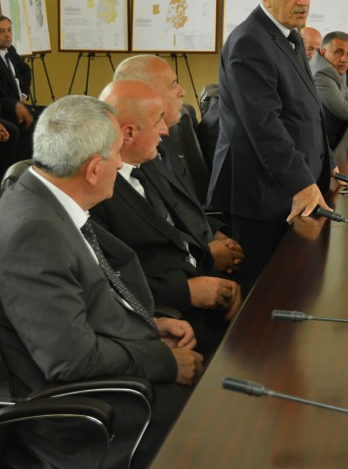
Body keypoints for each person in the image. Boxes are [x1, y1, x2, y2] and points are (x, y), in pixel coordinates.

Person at [0, 95, 203, 468]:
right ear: (93, 169)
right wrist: (163, 361)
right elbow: (71, 360)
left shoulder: (41, 195)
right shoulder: (34, 233)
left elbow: (80, 305)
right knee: (219, 419)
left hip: (103, 377)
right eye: (116, 155)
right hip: (83, 417)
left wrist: (149, 326)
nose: (121, 163)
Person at [90, 81, 242, 357]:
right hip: (167, 316)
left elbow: (183, 217)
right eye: (158, 120)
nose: (164, 129)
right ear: (129, 133)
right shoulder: (96, 192)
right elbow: (106, 280)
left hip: (198, 285)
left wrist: (214, 275)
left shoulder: (146, 163)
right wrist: (186, 291)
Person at [207, 0, 331, 285]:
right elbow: (264, 126)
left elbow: (306, 112)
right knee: (263, 300)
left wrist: (324, 165)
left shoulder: (289, 37)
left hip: (285, 188)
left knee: (292, 287)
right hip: (259, 196)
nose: (303, 1)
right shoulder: (250, 42)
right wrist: (303, 182)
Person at [113, 55, 244, 276]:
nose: (182, 91)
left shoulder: (163, 141)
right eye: (173, 84)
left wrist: (215, 233)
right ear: (145, 93)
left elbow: (181, 207)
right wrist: (206, 251)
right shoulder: (129, 154)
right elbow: (152, 236)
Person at [0, 16, 35, 158]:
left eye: (9, 30)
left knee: (49, 115)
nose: (7, 35)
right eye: (1, 31)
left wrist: (24, 95)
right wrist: (17, 105)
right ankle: (18, 170)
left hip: (19, 102)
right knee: (32, 124)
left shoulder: (10, 50)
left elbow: (25, 70)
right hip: (7, 108)